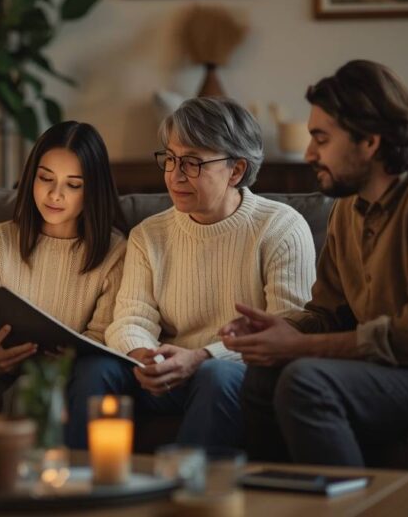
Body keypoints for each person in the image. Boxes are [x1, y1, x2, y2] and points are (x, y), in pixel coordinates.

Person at [223, 60, 408, 466]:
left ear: (369, 141)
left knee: (306, 380)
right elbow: (327, 313)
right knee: (263, 377)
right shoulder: (346, 209)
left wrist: (299, 348)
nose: (309, 153)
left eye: (321, 138)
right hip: (395, 366)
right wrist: (279, 330)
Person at [65, 97, 316, 449]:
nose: (175, 175)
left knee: (216, 375)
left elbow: (288, 327)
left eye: (193, 163)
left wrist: (202, 357)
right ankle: (75, 488)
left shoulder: (280, 228)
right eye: (170, 159)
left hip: (237, 375)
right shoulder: (149, 235)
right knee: (94, 368)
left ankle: (188, 490)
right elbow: (130, 318)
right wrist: (143, 356)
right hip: (166, 374)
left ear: (237, 170)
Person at [0, 121, 127, 415]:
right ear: (31, 177)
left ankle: (20, 461)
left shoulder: (115, 251)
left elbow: (100, 337)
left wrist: (63, 361)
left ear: (92, 190)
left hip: (57, 373)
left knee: (30, 389)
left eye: (73, 185)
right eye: (46, 178)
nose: (55, 194)